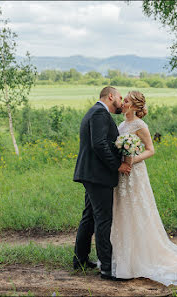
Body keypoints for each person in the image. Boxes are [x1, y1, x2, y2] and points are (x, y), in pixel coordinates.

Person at [110, 91, 177, 286]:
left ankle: (144, 256)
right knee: (123, 211)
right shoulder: (121, 125)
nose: (123, 102)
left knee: (138, 210)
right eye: (124, 99)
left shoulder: (140, 125)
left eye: (127, 100)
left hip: (135, 173)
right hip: (122, 174)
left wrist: (132, 160)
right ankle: (125, 258)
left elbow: (150, 150)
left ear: (135, 106)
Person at [72, 86, 131, 280]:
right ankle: (106, 268)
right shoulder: (99, 113)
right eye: (120, 98)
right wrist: (117, 166)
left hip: (91, 174)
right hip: (98, 175)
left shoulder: (95, 112)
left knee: (89, 217)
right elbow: (99, 144)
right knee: (103, 219)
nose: (121, 102)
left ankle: (79, 260)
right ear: (111, 96)